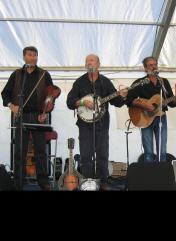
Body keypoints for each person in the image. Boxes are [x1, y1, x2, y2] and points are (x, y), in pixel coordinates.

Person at [66, 54, 127, 190]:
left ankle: (103, 182)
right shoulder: (79, 82)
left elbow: (116, 102)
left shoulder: (105, 82)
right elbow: (70, 102)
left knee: (102, 154)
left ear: (98, 64)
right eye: (87, 61)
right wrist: (83, 102)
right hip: (84, 125)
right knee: (86, 155)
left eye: (92, 61)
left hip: (102, 124)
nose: (89, 63)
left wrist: (122, 96)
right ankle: (88, 182)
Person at [1, 46, 54, 190]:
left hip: (38, 116)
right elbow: (5, 94)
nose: (33, 58)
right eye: (30, 55)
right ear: (24, 57)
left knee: (41, 150)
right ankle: (18, 182)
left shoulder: (44, 74)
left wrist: (46, 111)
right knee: (20, 150)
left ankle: (43, 182)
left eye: (35, 55)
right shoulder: (17, 74)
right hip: (21, 115)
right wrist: (12, 106)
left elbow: (51, 95)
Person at [126, 56, 176, 162]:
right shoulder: (140, 82)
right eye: (150, 65)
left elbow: (171, 103)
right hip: (144, 118)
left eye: (155, 64)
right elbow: (129, 100)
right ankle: (150, 176)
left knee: (162, 151)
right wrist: (144, 105)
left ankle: (161, 175)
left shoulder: (163, 82)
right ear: (145, 68)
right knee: (148, 152)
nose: (154, 67)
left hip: (161, 118)